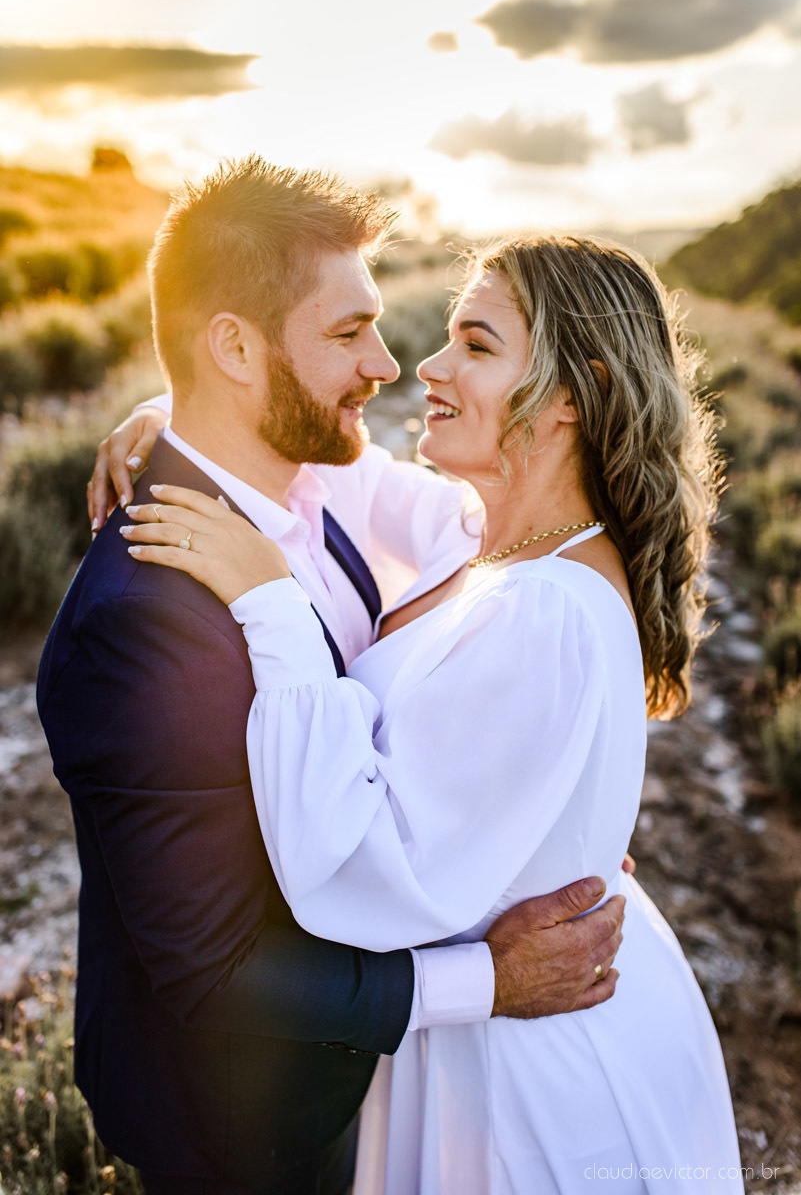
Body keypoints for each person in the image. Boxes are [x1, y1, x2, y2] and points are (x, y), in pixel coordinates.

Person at [38, 160, 626, 1195]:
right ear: (233, 346)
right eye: (350, 333)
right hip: (246, 1118)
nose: (391, 366)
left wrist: (165, 413)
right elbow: (216, 971)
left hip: (358, 1078)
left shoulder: (320, 484)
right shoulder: (142, 626)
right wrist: (489, 980)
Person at [120, 233, 744, 1193]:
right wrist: (167, 414)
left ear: (573, 394)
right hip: (484, 1036)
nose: (428, 367)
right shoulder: (495, 538)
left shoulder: (545, 610)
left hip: (524, 1082)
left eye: (477, 346)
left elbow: (360, 871)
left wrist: (272, 606)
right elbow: (341, 468)